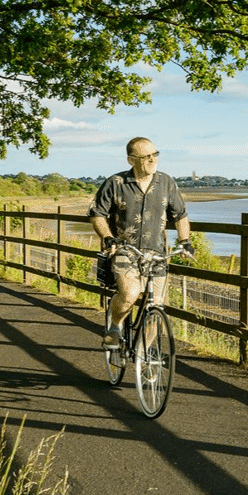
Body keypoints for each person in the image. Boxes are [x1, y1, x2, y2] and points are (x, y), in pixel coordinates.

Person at [88, 137, 192, 348]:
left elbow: (180, 215)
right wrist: (108, 238)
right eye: (146, 157)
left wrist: (185, 241)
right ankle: (115, 327)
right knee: (130, 294)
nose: (153, 160)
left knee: (157, 308)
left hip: (157, 254)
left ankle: (143, 354)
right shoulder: (115, 183)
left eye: (155, 154)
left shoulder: (166, 182)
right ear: (131, 160)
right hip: (125, 251)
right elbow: (97, 213)